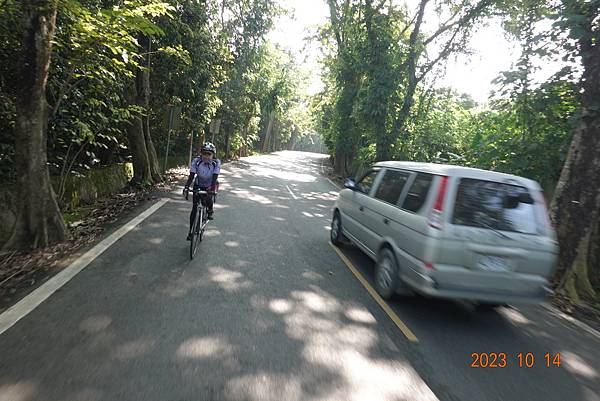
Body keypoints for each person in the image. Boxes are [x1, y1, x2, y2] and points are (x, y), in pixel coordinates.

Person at [183, 142, 220, 240]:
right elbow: (191, 176)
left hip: (210, 184)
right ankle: (190, 232)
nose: (206, 156)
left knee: (208, 198)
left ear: (213, 155)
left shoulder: (216, 163)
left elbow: (215, 177)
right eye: (204, 154)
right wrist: (186, 187)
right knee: (194, 208)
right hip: (198, 183)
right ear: (201, 154)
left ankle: (210, 210)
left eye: (209, 154)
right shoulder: (197, 161)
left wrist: (211, 190)